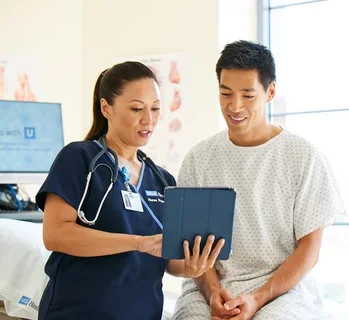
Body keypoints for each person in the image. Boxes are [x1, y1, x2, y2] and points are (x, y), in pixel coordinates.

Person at [171, 41, 347, 320]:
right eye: (225, 93)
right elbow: (195, 244)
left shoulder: (304, 158)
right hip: (211, 289)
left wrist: (258, 298)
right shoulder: (199, 159)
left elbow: (310, 250)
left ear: (270, 92)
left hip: (283, 291)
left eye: (248, 95)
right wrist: (213, 293)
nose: (235, 106)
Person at [35, 61, 224, 320]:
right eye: (137, 108)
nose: (149, 120)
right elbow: (55, 234)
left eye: (156, 109)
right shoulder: (79, 159)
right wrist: (138, 243)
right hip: (78, 312)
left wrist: (192, 266)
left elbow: (169, 258)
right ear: (106, 108)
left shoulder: (162, 180)